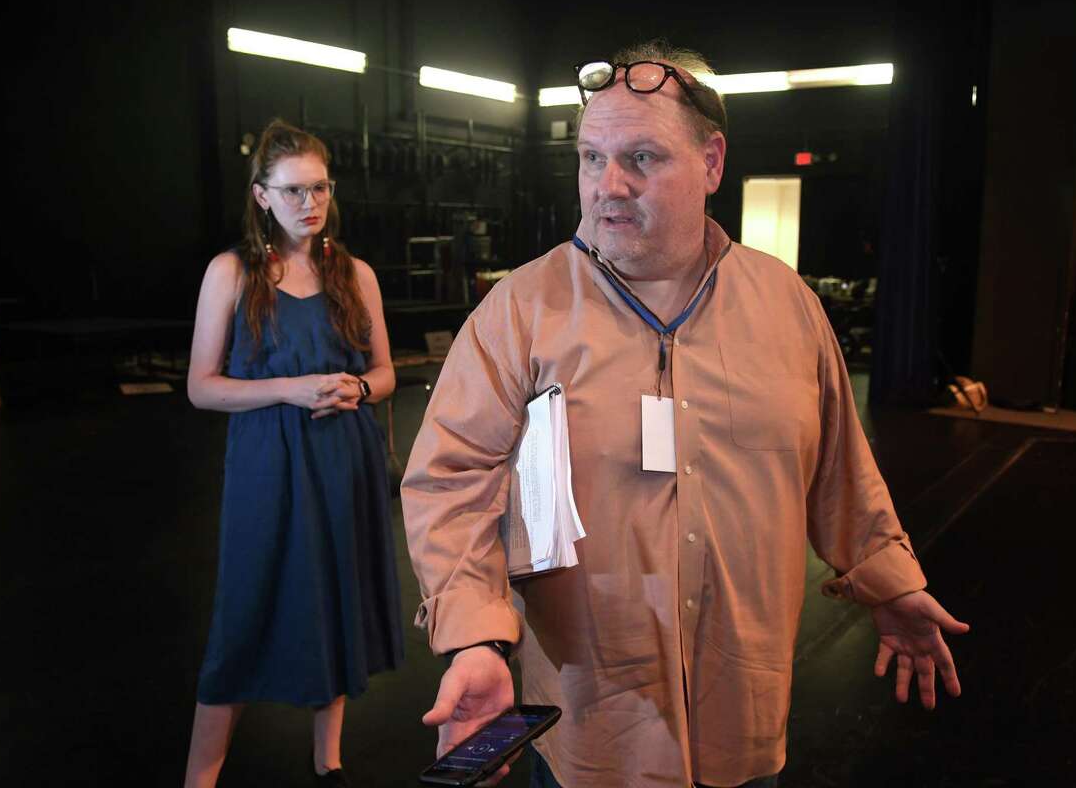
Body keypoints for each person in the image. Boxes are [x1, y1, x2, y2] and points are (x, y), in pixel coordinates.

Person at [401, 42, 969, 788]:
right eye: (591, 157)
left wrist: (888, 579)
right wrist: (474, 638)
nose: (609, 185)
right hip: (588, 719)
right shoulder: (522, 312)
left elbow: (839, 466)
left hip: (743, 710)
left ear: (711, 162)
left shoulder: (785, 306)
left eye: (642, 158)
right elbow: (452, 478)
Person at [184, 119, 404, 788]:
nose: (310, 204)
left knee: (332, 595)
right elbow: (201, 387)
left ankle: (328, 759)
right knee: (246, 611)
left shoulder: (354, 274)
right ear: (261, 196)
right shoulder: (231, 272)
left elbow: (388, 373)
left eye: (320, 188)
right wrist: (291, 388)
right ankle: (200, 776)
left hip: (344, 458)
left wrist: (357, 386)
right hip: (268, 466)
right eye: (294, 190)